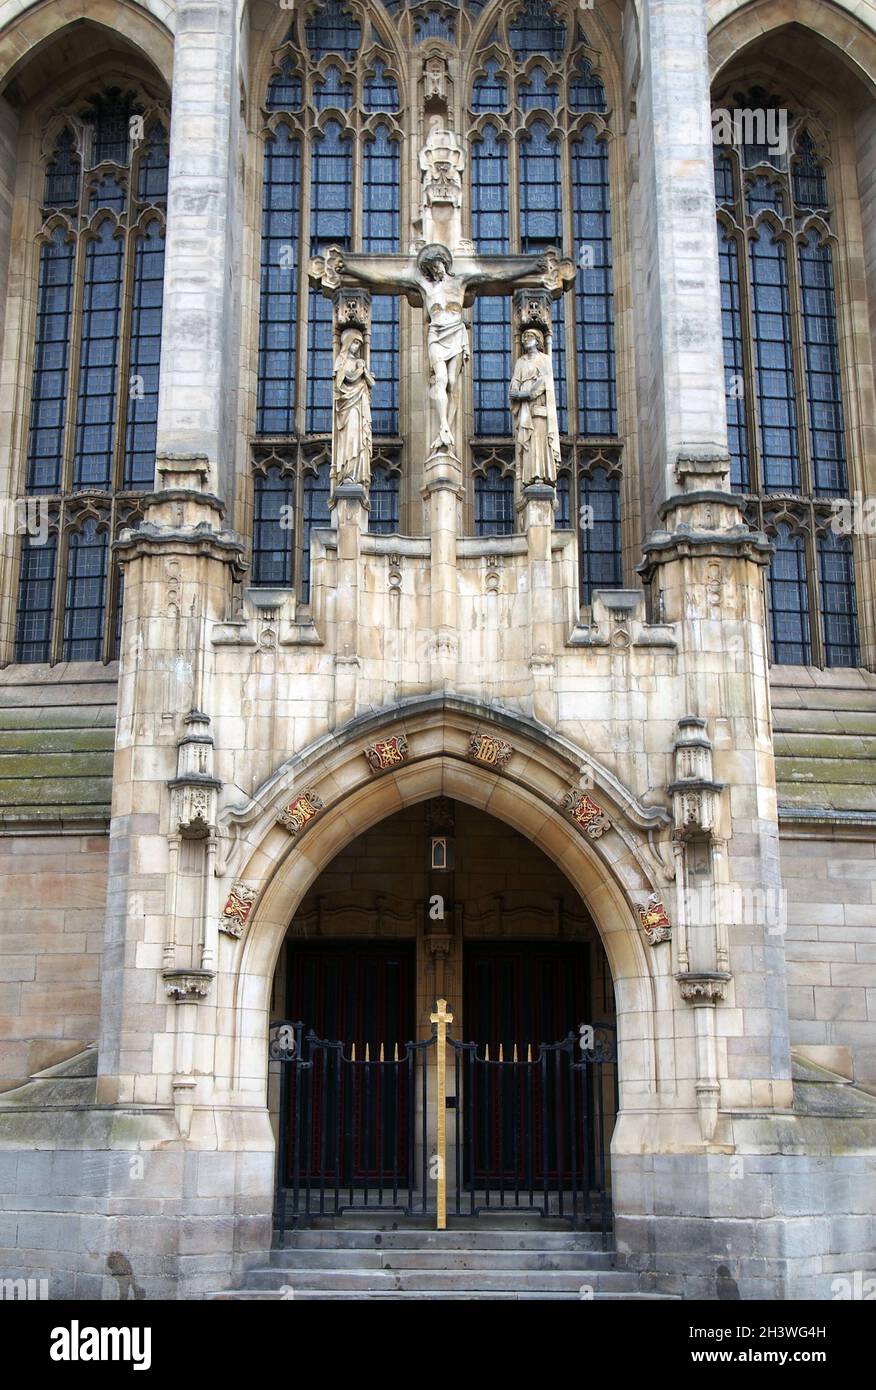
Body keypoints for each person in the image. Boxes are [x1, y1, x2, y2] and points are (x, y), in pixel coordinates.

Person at [509, 326, 561, 486]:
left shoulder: (545, 360)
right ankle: (530, 478)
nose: (526, 339)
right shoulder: (520, 362)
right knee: (529, 445)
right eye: (524, 336)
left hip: (539, 411)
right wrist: (519, 392)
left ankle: (541, 476)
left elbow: (542, 385)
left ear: (538, 340)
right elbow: (514, 386)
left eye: (530, 336)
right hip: (525, 411)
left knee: (539, 444)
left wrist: (525, 394)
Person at [332, 328, 374, 489]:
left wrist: (365, 371)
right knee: (350, 439)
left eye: (359, 344)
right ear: (348, 342)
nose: (357, 347)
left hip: (359, 406)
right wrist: (359, 371)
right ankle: (347, 474)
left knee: (358, 440)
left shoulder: (359, 362)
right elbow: (342, 380)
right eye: (355, 342)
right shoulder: (342, 360)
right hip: (347, 406)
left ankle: (357, 474)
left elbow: (371, 383)